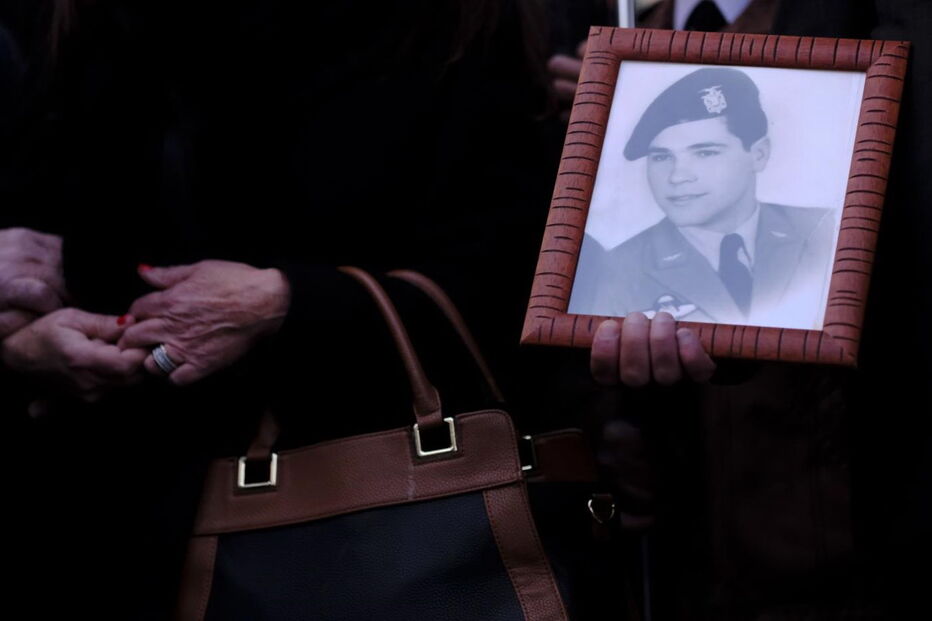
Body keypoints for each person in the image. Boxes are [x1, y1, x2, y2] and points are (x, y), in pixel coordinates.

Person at [569, 67, 837, 328]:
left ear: (759, 154)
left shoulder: (828, 231)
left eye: (705, 153)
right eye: (661, 157)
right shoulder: (614, 270)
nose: (677, 176)